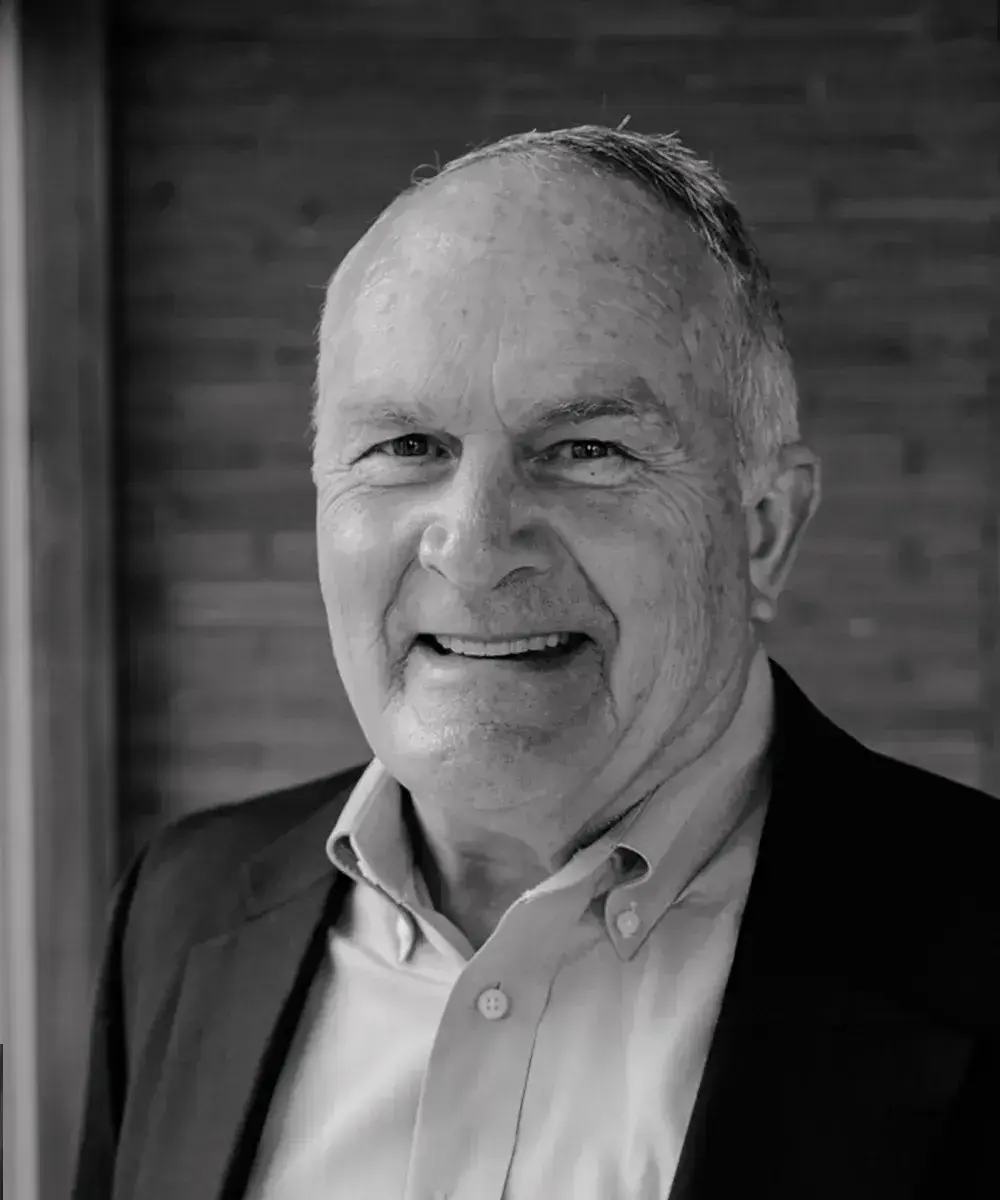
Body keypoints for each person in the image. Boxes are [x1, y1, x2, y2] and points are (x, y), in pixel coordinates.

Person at [73, 124, 997, 1200]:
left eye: (586, 450)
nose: (473, 542)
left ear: (762, 529)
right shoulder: (179, 915)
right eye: (405, 446)